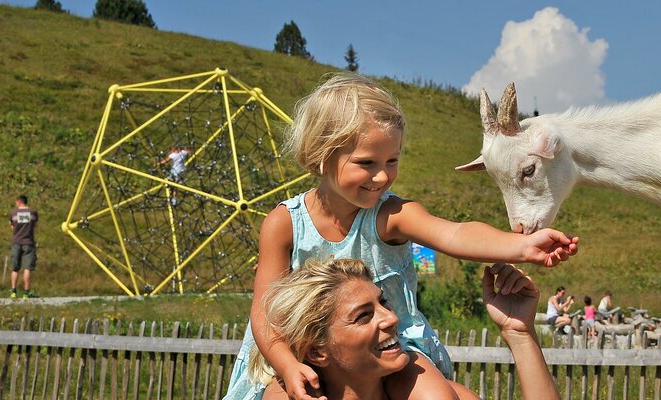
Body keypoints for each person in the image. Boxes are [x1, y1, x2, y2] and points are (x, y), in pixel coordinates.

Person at [225, 74, 579, 400]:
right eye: (367, 163)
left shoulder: (389, 214)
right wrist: (285, 364)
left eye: (391, 161)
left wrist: (520, 245)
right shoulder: (283, 223)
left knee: (438, 396)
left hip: (394, 346)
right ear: (321, 155)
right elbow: (265, 311)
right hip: (299, 348)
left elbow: (453, 233)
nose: (382, 177)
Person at [248, 259, 559, 400]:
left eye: (383, 303)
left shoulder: (434, 393)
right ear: (317, 350)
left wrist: (520, 335)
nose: (391, 319)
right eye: (363, 316)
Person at [9, 195, 39, 298]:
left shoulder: (13, 213)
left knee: (15, 268)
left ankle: (13, 291)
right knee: (27, 268)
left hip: (16, 242)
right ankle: (26, 292)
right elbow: (35, 225)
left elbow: (12, 227)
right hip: (28, 242)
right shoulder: (33, 212)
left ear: (18, 202)